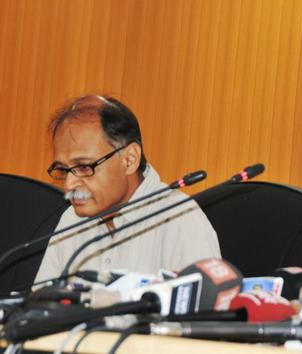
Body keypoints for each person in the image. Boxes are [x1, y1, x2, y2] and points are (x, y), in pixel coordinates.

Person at [34, 95, 221, 284]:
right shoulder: (71, 220)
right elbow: (40, 308)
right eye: (62, 170)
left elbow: (202, 309)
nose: (69, 185)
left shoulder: (180, 219)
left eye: (84, 167)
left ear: (130, 159)